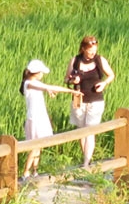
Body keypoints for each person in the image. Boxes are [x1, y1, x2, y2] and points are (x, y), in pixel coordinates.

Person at [20, 59, 81, 181]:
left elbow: (45, 88)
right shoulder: (29, 83)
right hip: (35, 118)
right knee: (35, 146)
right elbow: (48, 87)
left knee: (39, 146)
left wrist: (48, 91)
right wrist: (71, 91)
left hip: (40, 117)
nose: (42, 75)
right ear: (36, 73)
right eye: (41, 72)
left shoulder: (34, 83)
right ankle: (25, 172)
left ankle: (35, 171)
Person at [65, 35, 115, 167]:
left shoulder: (100, 60)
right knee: (81, 130)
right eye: (90, 50)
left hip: (96, 100)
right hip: (79, 99)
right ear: (83, 49)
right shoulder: (75, 60)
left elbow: (111, 75)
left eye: (95, 50)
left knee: (90, 130)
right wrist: (73, 80)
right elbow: (66, 79)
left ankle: (86, 163)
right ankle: (86, 158)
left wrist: (104, 83)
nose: (93, 53)